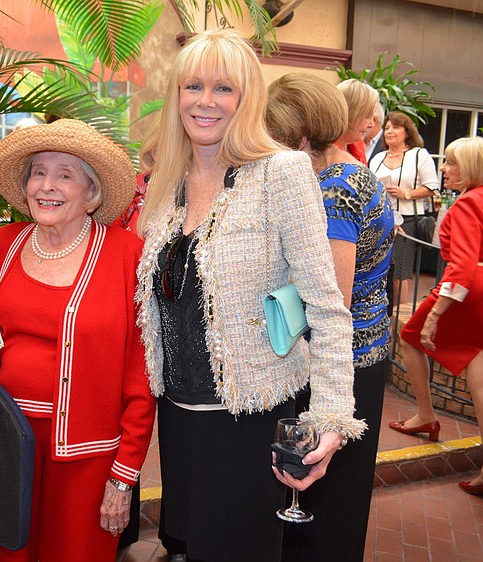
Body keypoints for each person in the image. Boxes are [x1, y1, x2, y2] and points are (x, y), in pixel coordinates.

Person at [134, 29, 364, 562]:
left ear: (248, 99)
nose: (206, 102)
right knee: (187, 546)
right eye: (193, 86)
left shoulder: (279, 173)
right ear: (177, 97)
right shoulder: (169, 179)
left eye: (224, 89)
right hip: (181, 413)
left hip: (250, 416)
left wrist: (330, 418)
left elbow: (327, 308)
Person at [0, 119, 155, 561]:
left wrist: (123, 474)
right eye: (38, 172)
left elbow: (141, 372)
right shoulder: (3, 242)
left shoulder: (126, 255)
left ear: (91, 191)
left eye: (65, 175)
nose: (47, 185)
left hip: (87, 459)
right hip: (6, 442)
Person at [266, 72, 395, 562]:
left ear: (298, 138)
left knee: (322, 507)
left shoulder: (331, 191)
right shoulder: (354, 172)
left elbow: (330, 299)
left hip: (342, 364)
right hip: (365, 352)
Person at [389, 137, 483, 474]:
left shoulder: (468, 203)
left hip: (466, 291)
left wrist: (435, 316)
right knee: (476, 362)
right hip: (477, 291)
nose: (443, 168)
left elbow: (462, 265)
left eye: (451, 163)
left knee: (411, 337)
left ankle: (426, 415)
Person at [369, 112, 440, 282]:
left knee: (399, 272)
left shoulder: (418, 155)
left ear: (407, 132)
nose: (389, 131)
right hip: (379, 219)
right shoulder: (377, 158)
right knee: (377, 268)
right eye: (387, 128)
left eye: (395, 127)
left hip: (406, 221)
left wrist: (405, 194)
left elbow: (432, 187)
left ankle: (397, 308)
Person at [335, 79, 379, 164]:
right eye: (367, 116)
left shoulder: (357, 145)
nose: (372, 125)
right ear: (350, 113)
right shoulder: (318, 153)